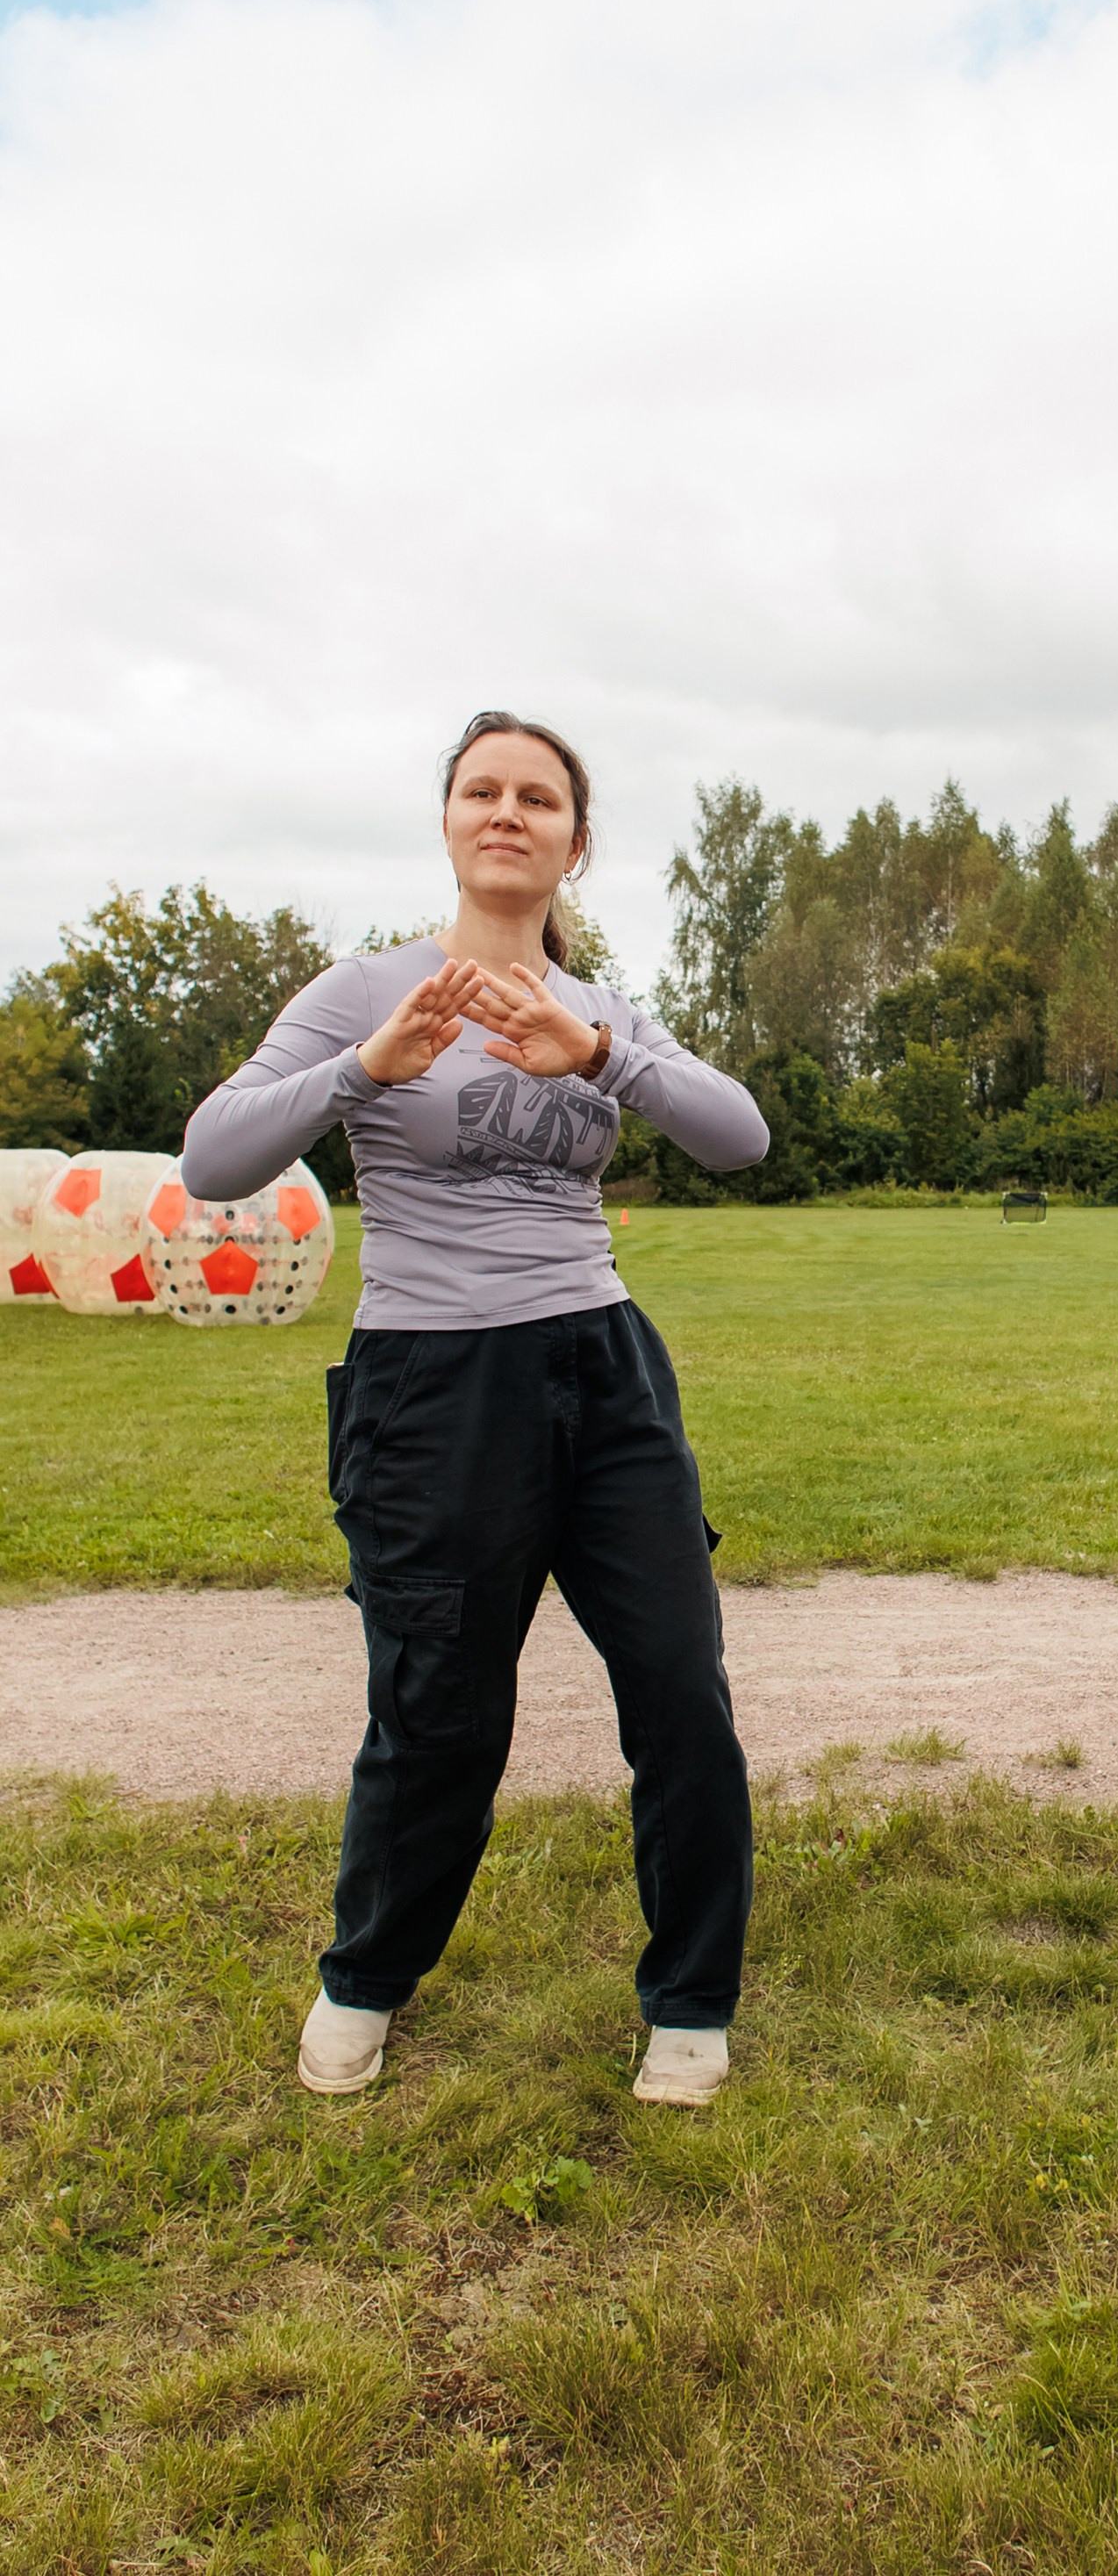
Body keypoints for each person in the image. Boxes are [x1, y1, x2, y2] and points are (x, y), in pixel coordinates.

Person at [183, 711, 769, 2107]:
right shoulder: (362, 988)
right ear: (448, 820)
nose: (509, 813)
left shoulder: (603, 1006)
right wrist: (362, 1073)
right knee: (442, 1711)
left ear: (575, 839)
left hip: (603, 1365)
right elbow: (212, 1157)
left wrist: (599, 1055)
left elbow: (738, 1136)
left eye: (541, 798)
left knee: (682, 1691)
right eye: (483, 791)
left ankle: (691, 2000)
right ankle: (367, 1976)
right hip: (434, 1386)